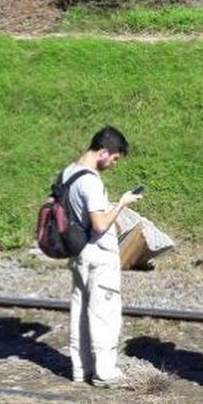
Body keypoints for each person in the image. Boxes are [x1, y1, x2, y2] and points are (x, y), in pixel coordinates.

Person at [62, 126, 142, 387]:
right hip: (98, 254)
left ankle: (80, 369)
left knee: (80, 312)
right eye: (115, 158)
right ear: (104, 152)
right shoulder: (91, 181)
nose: (114, 164)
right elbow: (98, 224)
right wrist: (121, 204)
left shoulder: (68, 173)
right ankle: (105, 373)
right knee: (104, 313)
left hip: (78, 253)